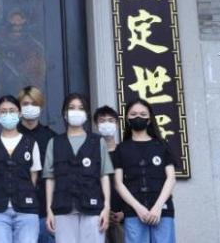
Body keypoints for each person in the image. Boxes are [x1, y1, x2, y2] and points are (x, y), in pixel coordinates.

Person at [44, 93, 112, 243]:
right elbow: (50, 178)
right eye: (71, 108)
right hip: (63, 208)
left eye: (80, 108)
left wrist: (106, 207)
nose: (76, 111)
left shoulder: (97, 141)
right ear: (64, 113)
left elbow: (104, 175)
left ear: (87, 113)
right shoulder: (54, 142)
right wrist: (49, 209)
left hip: (93, 208)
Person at [0, 95, 41, 243]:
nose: (8, 114)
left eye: (12, 110)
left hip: (26, 209)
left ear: (19, 113)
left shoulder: (31, 143)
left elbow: (33, 176)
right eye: (3, 111)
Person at [113, 100, 176, 243]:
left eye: (143, 114)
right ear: (128, 119)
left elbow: (171, 178)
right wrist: (138, 208)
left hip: (162, 211)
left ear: (149, 120)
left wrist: (158, 207)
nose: (138, 117)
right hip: (134, 213)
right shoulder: (122, 149)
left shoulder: (161, 146)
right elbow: (118, 183)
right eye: (133, 114)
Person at [18, 86, 57, 243]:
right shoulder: (11, 136)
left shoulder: (51, 137)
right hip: (17, 210)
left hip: (45, 210)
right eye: (26, 104)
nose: (30, 107)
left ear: (41, 106)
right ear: (19, 108)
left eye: (34, 104)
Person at [93, 107, 124, 243]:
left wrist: (124, 212)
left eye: (111, 120)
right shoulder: (91, 153)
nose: (107, 124)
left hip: (122, 216)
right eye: (102, 121)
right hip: (97, 216)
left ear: (117, 124)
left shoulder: (125, 151)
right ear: (96, 125)